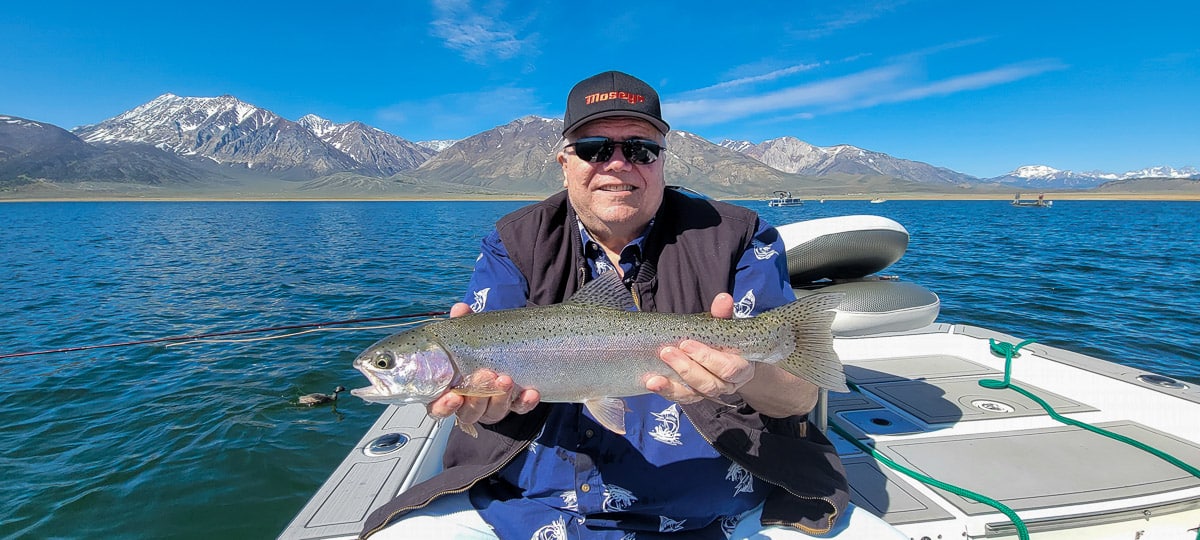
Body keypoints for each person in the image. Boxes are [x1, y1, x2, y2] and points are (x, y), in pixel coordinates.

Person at [360, 71, 906, 539]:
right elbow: (494, 398)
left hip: (720, 511)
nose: (617, 165)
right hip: (528, 510)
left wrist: (745, 374)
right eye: (596, 149)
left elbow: (796, 398)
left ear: (662, 160)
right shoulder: (514, 241)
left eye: (640, 149)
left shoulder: (738, 235)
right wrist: (486, 404)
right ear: (564, 162)